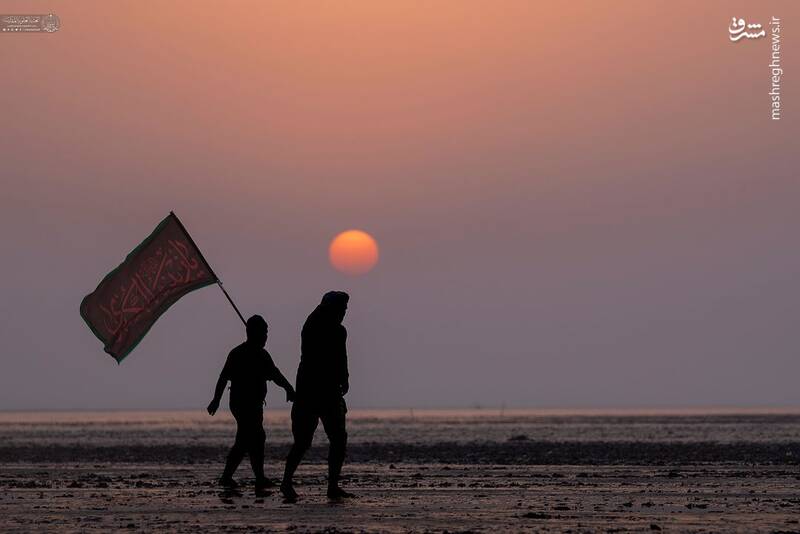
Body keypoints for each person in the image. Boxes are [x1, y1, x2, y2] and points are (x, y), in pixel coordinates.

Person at [207, 314, 295, 490]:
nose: (266, 336)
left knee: (249, 439)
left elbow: (275, 374)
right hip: (241, 404)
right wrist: (216, 400)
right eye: (264, 332)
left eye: (266, 332)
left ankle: (241, 477)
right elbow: (223, 378)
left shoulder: (260, 354)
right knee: (253, 437)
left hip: (255, 404)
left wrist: (288, 388)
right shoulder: (239, 353)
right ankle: (247, 478)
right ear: (254, 333)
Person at [281, 291, 353, 501]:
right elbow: (332, 357)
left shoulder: (336, 330)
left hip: (329, 392)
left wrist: (344, 378)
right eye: (341, 309)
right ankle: (287, 482)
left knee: (338, 438)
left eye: (345, 310)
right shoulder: (314, 325)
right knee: (303, 441)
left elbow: (342, 357)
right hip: (311, 392)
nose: (343, 313)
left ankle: (332, 485)